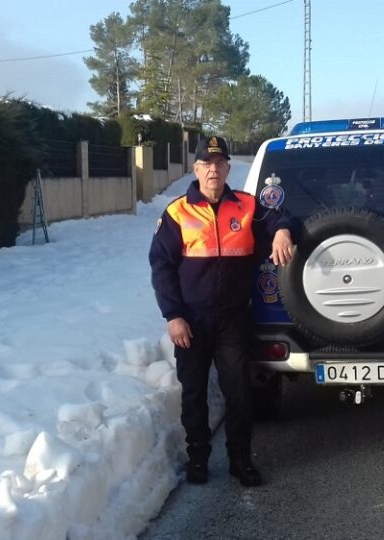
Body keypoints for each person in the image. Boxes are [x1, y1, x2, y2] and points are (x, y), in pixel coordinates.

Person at [148, 136, 294, 487]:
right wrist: (173, 316)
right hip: (191, 321)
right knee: (194, 393)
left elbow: (279, 216)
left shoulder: (245, 206)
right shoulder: (177, 212)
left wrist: (282, 232)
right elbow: (161, 267)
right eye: (206, 163)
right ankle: (198, 461)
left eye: (220, 163)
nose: (214, 169)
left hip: (233, 319)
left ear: (228, 168)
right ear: (196, 169)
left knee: (239, 394)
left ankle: (240, 461)